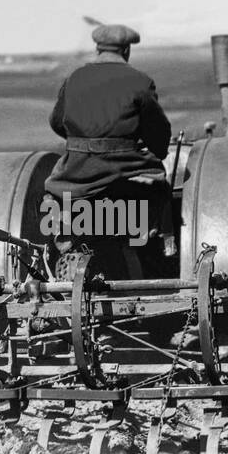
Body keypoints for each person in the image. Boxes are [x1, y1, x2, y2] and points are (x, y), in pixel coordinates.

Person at [44, 23, 173, 278]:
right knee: (161, 187)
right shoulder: (140, 81)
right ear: (126, 50)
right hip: (125, 180)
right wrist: (155, 149)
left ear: (97, 49)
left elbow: (57, 122)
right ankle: (165, 249)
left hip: (74, 179)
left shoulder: (74, 79)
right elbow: (159, 136)